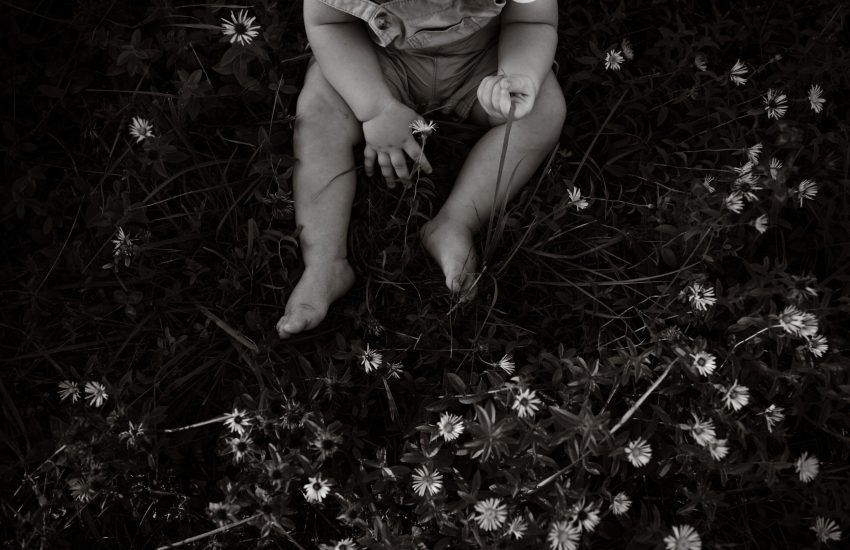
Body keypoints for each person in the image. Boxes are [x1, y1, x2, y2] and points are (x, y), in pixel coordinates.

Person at [276, 0, 566, 338]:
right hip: (376, 62)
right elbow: (330, 25)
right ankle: (325, 262)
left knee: (542, 111)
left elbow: (532, 22)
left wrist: (517, 76)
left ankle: (455, 222)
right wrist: (374, 107)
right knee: (319, 114)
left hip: (481, 60)